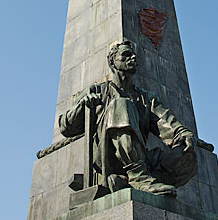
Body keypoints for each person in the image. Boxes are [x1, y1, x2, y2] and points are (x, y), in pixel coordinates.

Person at [59, 41, 198, 197]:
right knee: (121, 104)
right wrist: (81, 106)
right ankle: (138, 177)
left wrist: (183, 135)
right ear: (112, 62)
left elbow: (166, 122)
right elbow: (66, 127)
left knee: (188, 152)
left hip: (143, 159)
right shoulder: (96, 91)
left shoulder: (146, 98)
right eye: (125, 55)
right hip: (107, 160)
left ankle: (128, 180)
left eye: (133, 55)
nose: (132, 57)